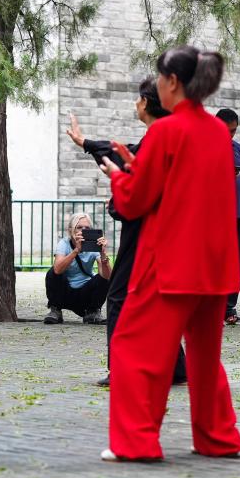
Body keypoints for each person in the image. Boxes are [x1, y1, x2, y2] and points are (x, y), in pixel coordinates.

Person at [100, 45, 240, 462]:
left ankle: (136, 441)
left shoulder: (165, 132)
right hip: (214, 266)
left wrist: (119, 176)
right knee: (204, 358)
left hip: (171, 262)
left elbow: (135, 201)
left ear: (173, 83)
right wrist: (134, 170)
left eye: (160, 78)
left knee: (133, 347)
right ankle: (218, 438)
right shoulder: (218, 132)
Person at [66, 78, 188, 387]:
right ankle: (176, 367)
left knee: (119, 295)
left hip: (146, 232)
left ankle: (121, 368)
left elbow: (138, 176)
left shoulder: (160, 136)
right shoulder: (165, 135)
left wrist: (119, 188)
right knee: (157, 298)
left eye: (138, 100)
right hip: (165, 232)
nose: (135, 104)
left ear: (146, 103)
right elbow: (126, 154)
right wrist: (88, 145)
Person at [215, 108, 240, 326]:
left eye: (233, 131)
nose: (229, 135)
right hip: (215, 218)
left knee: (234, 265)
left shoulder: (239, 150)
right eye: (225, 130)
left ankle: (229, 309)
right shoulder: (205, 149)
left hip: (237, 215)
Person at [43, 212, 111, 325]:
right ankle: (55, 310)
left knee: (102, 278)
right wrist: (76, 251)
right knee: (52, 272)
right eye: (79, 227)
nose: (82, 230)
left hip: (85, 293)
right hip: (65, 292)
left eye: (87, 228)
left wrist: (103, 253)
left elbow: (107, 276)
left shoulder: (94, 246)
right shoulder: (64, 243)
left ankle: (92, 312)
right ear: (71, 230)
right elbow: (57, 270)